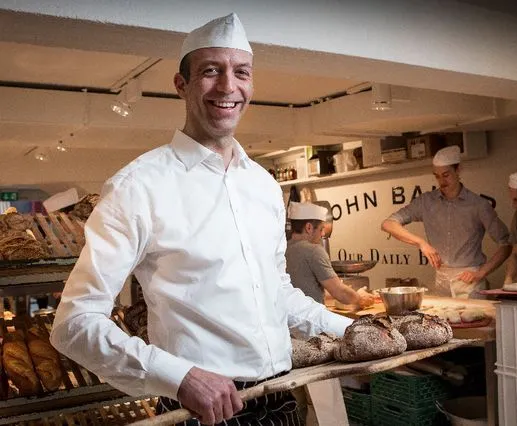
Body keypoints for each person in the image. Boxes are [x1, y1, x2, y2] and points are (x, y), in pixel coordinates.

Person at [50, 13, 352, 426]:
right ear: (181, 84)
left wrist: (350, 330)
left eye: (240, 72)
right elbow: (74, 323)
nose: (228, 86)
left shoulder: (263, 185)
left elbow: (276, 291)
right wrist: (180, 377)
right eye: (211, 71)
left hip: (281, 401)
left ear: (251, 84)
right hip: (197, 413)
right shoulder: (138, 187)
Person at [381, 146, 512, 298]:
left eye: (446, 175)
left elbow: (506, 244)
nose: (441, 181)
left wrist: (481, 272)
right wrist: (421, 243)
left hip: (470, 282)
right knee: (442, 320)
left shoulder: (478, 205)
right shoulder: (426, 202)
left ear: (458, 170)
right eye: (437, 176)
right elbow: (388, 224)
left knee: (472, 320)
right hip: (441, 279)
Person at [285, 201, 374, 309]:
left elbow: (304, 289)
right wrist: (360, 299)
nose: (322, 234)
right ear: (308, 227)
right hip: (311, 320)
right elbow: (340, 292)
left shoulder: (283, 249)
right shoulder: (313, 251)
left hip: (287, 320)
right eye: (321, 229)